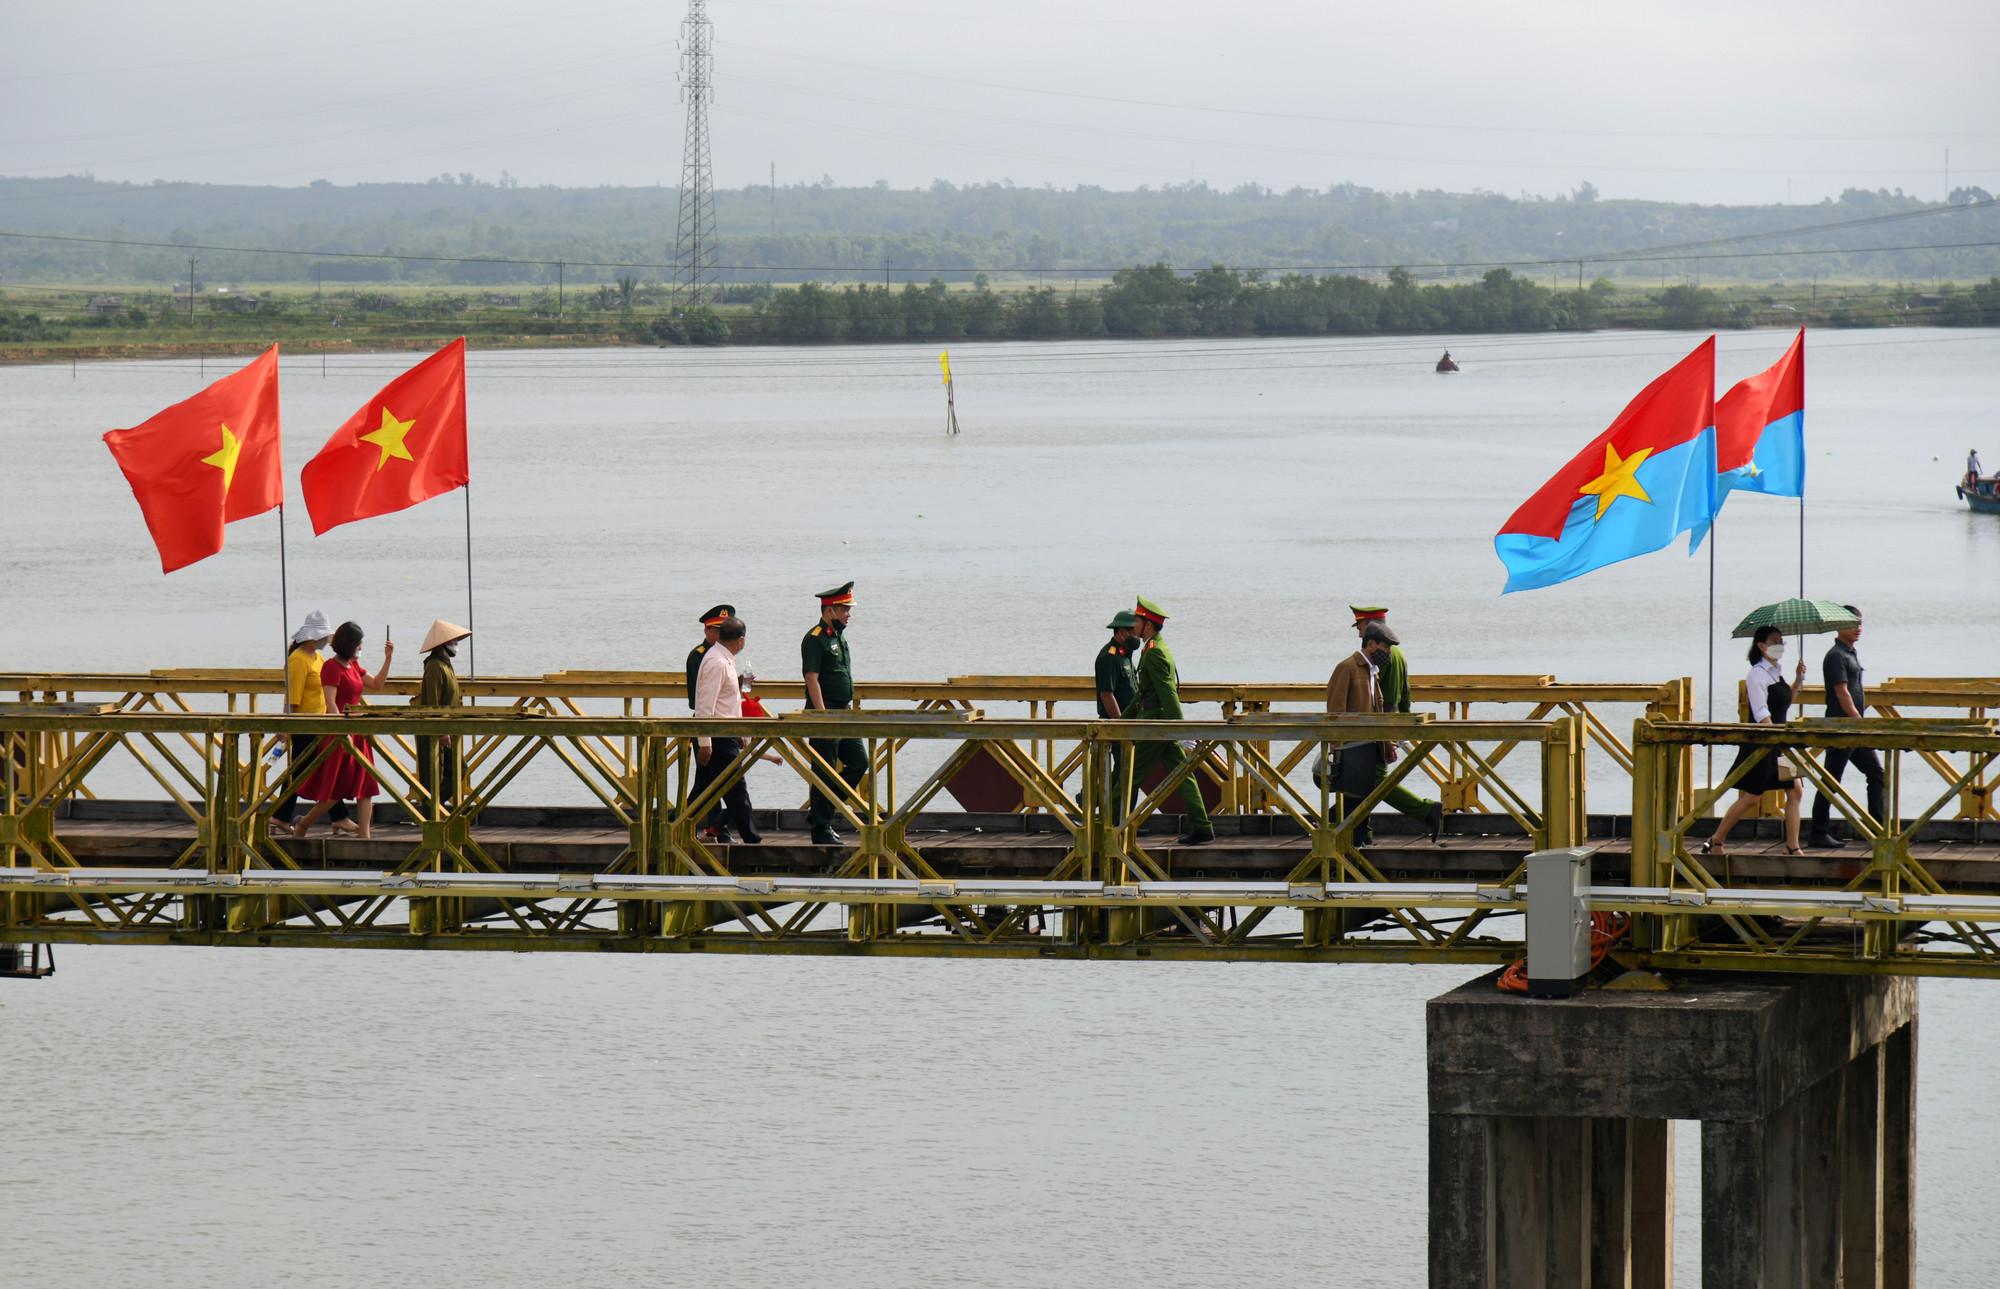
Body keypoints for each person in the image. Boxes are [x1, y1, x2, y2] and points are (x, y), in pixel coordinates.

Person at [1326, 621, 1443, 845]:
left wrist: (1388, 744)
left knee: (1360, 790)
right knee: (1361, 789)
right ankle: (1347, 833)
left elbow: (1379, 711)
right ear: (1371, 644)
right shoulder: (1347, 668)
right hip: (1352, 745)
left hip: (1370, 744)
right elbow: (1335, 709)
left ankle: (1350, 834)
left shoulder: (1373, 673)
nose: (1388, 653)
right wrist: (1335, 743)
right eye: (1385, 648)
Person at [1702, 625, 1806, 857]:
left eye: (1781, 641)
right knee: (1752, 796)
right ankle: (1716, 840)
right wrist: (1775, 739)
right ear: (1761, 646)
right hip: (1764, 742)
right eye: (1774, 641)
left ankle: (1792, 846)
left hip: (1780, 743)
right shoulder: (1757, 673)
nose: (1780, 645)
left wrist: (1798, 680)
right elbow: (1760, 712)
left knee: (1796, 790)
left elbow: (1783, 703)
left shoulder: (1776, 672)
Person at [292, 621, 394, 840]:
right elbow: (331, 704)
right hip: (340, 733)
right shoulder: (331, 666)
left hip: (357, 732)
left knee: (366, 783)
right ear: (349, 644)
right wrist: (342, 732)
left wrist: (388, 659)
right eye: (358, 643)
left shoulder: (354, 665)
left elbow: (377, 684)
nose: (360, 647)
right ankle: (305, 823)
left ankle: (364, 837)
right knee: (336, 788)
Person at [1125, 596, 1212, 845]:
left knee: (1128, 777)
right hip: (1161, 722)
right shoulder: (1155, 648)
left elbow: (1167, 693)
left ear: (1148, 624)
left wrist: (1180, 729)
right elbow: (1143, 694)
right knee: (1183, 775)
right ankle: (1203, 827)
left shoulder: (1154, 653)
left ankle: (1110, 827)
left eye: (1137, 621)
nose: (1134, 626)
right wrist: (1120, 722)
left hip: (1156, 726)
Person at [1808, 607, 1885, 848]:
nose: (1858, 627)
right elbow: (1841, 692)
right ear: (1838, 626)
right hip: (1841, 728)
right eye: (1852, 623)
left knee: (1877, 775)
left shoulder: (1851, 653)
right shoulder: (1836, 656)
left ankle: (1877, 829)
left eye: (1860, 623)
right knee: (1831, 780)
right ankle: (1818, 834)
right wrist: (1856, 720)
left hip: (1854, 729)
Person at [271, 610, 353, 836]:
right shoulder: (298, 658)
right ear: (311, 636)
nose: (325, 640)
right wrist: (286, 726)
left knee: (306, 771)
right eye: (322, 636)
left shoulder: (317, 658)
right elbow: (293, 696)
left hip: (320, 723)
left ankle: (280, 816)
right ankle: (340, 817)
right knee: (313, 770)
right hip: (305, 725)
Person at [802, 582, 865, 845]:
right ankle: (821, 829)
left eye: (849, 609)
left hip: (844, 713)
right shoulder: (815, 638)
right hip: (825, 713)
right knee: (825, 770)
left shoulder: (837, 635)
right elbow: (811, 679)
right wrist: (823, 716)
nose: (849, 613)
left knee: (859, 763)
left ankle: (819, 812)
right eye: (844, 609)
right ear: (830, 610)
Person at [692, 615, 764, 844]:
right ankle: (752, 840)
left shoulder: (724, 659)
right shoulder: (717, 662)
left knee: (702, 792)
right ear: (741, 640)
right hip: (716, 736)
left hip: (725, 733)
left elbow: (729, 701)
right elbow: (705, 705)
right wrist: (705, 742)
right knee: (736, 789)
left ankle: (673, 825)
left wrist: (741, 733)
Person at [414, 619, 470, 813]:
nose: (456, 645)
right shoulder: (435, 667)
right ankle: (430, 813)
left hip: (447, 727)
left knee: (457, 769)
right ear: (441, 645)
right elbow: (432, 702)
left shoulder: (445, 664)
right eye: (453, 641)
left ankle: (433, 808)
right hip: (436, 730)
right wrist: (441, 731)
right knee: (433, 774)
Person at [1095, 609, 1141, 820]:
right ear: (1122, 632)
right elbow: (1107, 695)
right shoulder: (1109, 657)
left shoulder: (1126, 656)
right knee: (1125, 771)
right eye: (1134, 631)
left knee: (1127, 771)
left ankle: (1098, 802)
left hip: (1129, 723)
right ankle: (1118, 819)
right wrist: (1120, 726)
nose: (1137, 636)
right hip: (1116, 724)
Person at [686, 605, 734, 709]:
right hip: (708, 714)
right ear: (706, 631)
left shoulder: (727, 652)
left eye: (726, 631)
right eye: (718, 631)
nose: (723, 635)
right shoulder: (698, 655)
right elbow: (700, 694)